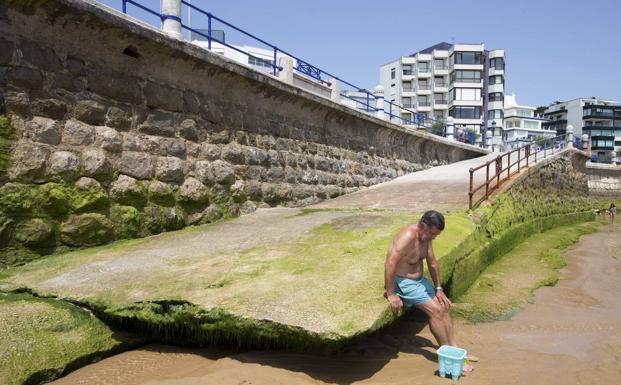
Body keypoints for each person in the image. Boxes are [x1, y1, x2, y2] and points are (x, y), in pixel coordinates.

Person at [384, 210, 477, 372]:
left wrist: (439, 289)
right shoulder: (407, 237)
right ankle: (448, 357)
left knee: (444, 305)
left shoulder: (426, 237)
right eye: (433, 234)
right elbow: (390, 263)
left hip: (419, 281)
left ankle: (454, 348)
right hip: (403, 282)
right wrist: (391, 293)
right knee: (435, 311)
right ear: (423, 226)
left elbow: (433, 263)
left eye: (436, 235)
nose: (434, 238)